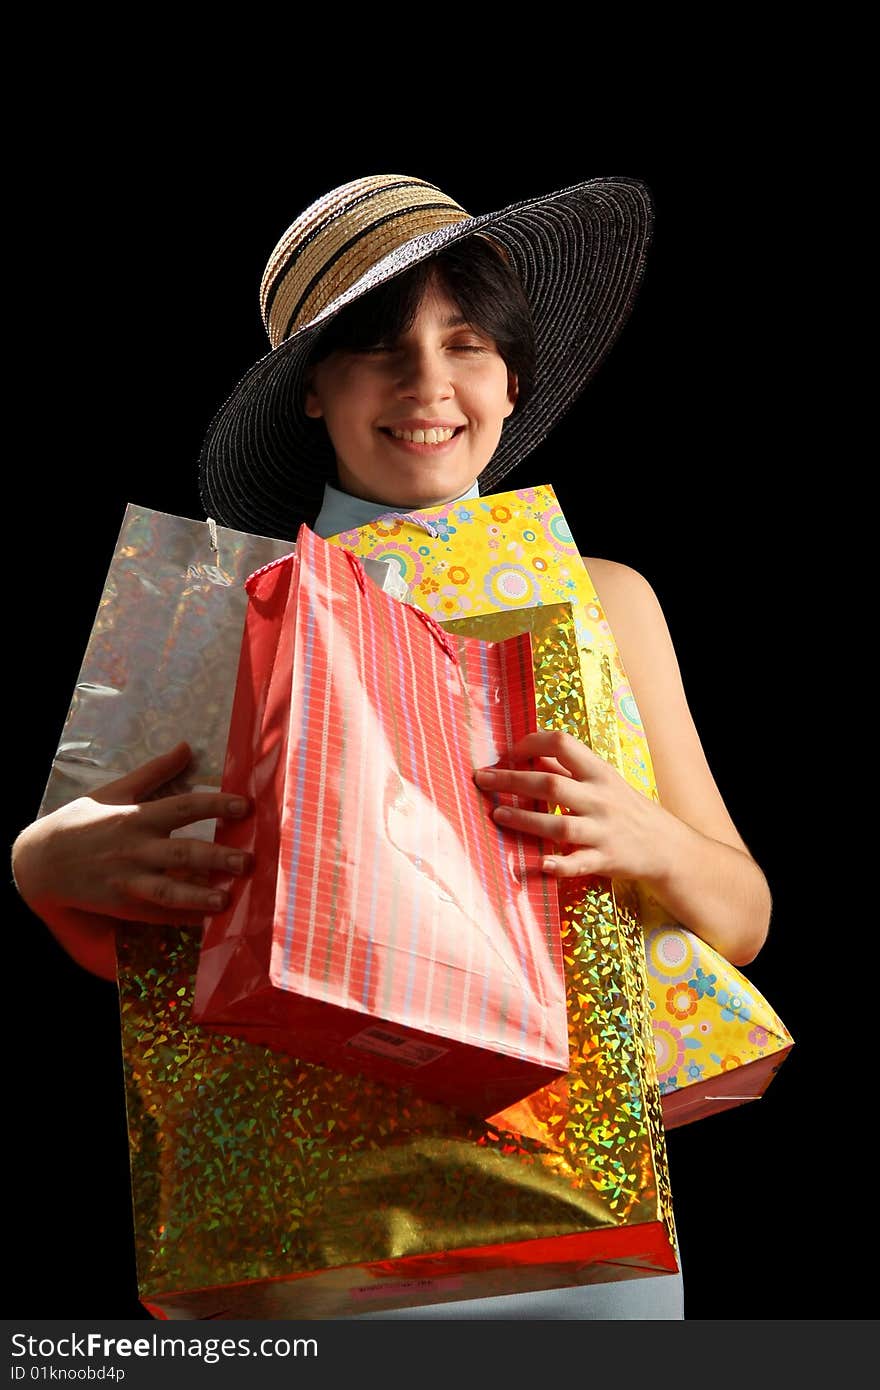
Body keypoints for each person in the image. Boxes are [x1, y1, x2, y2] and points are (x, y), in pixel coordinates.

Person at [11, 173, 772, 1320]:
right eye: (377, 347)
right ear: (311, 389)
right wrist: (42, 868)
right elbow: (167, 957)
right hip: (314, 1237)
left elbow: (742, 916)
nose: (428, 383)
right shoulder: (222, 614)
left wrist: (646, 838)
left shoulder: (604, 601)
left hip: (577, 1229)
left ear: (513, 378)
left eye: (464, 343)